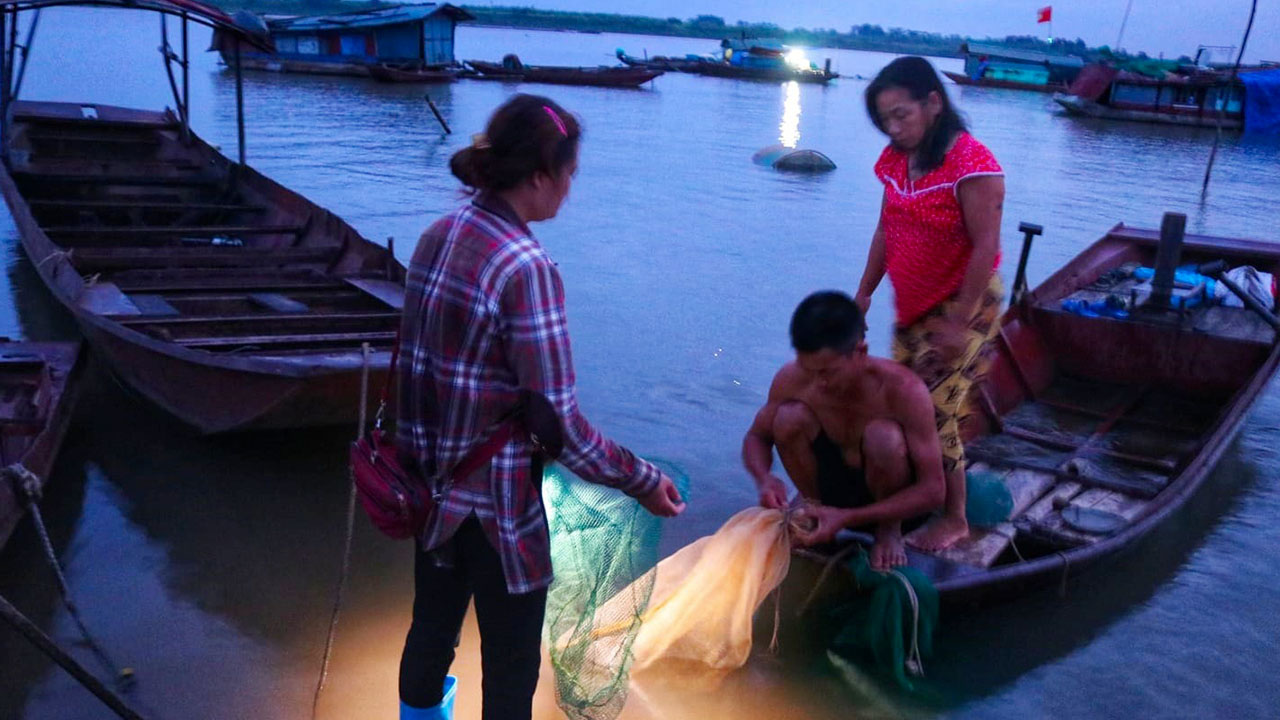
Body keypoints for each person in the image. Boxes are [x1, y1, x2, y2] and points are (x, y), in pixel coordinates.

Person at [395, 94, 686, 720]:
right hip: (497, 507)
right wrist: (643, 480)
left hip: (428, 488)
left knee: (430, 632)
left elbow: (416, 369)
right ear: (538, 176)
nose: (570, 189)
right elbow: (561, 428)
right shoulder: (527, 267)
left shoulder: (437, 235)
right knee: (510, 667)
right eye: (571, 174)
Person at [854, 56, 1006, 553]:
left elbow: (985, 246)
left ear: (934, 103)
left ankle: (955, 517)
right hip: (913, 304)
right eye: (885, 120)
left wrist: (958, 324)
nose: (894, 128)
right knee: (902, 406)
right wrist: (864, 292)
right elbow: (886, 228)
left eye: (903, 115)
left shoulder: (972, 165)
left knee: (934, 413)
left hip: (967, 302)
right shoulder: (897, 161)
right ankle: (910, 500)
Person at [742, 291, 946, 570]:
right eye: (809, 370)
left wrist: (846, 518)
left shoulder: (903, 391)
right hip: (834, 489)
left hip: (895, 501)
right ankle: (814, 509)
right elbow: (757, 436)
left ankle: (888, 531)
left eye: (828, 372)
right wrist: (764, 478)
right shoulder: (793, 379)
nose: (819, 383)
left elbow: (933, 489)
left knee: (883, 437)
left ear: (860, 353)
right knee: (788, 417)